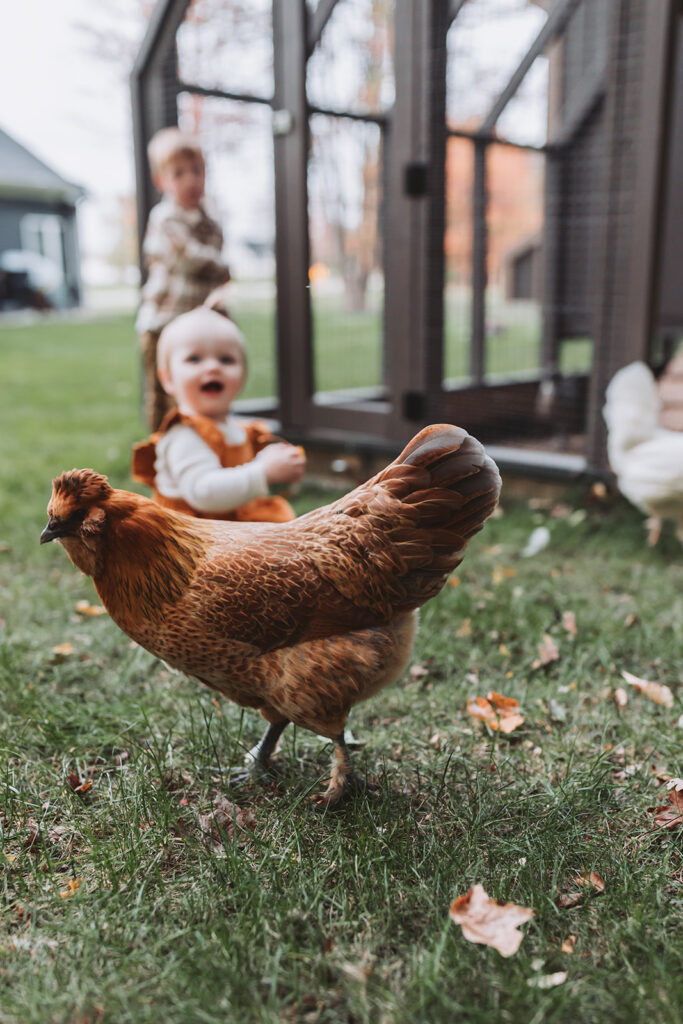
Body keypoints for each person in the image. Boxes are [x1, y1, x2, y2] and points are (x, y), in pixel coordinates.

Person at [132, 306, 306, 523]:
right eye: (194, 359)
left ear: (242, 375)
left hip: (228, 534)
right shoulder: (184, 435)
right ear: (167, 379)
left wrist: (279, 469)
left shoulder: (237, 428)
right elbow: (203, 492)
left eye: (226, 360)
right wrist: (263, 472)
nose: (213, 367)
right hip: (195, 544)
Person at [136, 127, 231, 430]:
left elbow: (215, 276)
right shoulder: (165, 218)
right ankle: (161, 456)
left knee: (199, 392)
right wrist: (222, 266)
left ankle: (201, 448)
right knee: (163, 394)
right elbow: (190, 260)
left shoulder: (211, 221)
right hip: (163, 323)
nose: (190, 179)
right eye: (178, 174)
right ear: (161, 181)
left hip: (198, 325)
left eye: (197, 170)